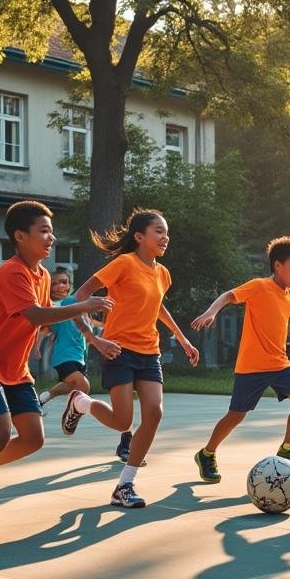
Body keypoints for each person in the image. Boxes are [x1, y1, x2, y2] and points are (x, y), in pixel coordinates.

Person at [0, 200, 113, 539]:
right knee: (0, 431)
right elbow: (34, 314)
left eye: (52, 231)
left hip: (15, 369)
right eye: (44, 231)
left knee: (32, 438)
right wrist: (82, 304)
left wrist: (87, 335)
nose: (51, 237)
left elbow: (39, 317)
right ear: (20, 236)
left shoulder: (42, 274)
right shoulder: (11, 271)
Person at [61, 208, 200, 508]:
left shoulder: (162, 273)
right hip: (118, 350)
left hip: (149, 351)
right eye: (158, 232)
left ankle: (125, 485)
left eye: (166, 232)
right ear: (139, 236)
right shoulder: (123, 264)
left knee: (154, 414)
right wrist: (94, 339)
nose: (165, 237)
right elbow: (77, 298)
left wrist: (184, 339)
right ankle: (81, 403)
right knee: (122, 420)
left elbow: (158, 307)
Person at [189, 237, 290, 483]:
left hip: (280, 364)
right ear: (278, 265)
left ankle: (288, 448)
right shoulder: (259, 286)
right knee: (236, 415)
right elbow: (228, 295)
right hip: (252, 366)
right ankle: (207, 453)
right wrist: (211, 312)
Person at [36, 268, 98, 410]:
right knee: (83, 386)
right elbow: (44, 329)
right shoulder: (64, 304)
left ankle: (44, 397)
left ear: (69, 285)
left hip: (80, 356)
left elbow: (47, 329)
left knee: (74, 386)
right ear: (49, 288)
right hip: (64, 355)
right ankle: (72, 412)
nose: (60, 286)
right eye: (55, 284)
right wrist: (36, 347)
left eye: (64, 282)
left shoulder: (72, 306)